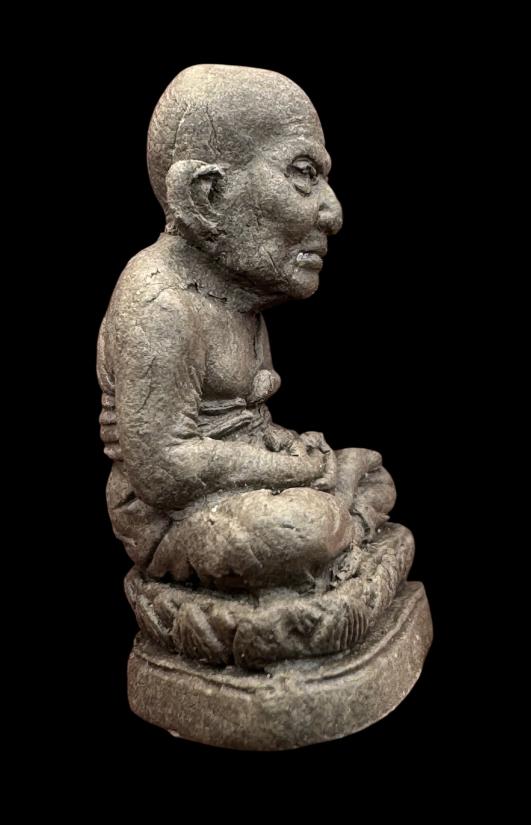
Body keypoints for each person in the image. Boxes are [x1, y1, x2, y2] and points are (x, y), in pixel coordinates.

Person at [97, 64, 397, 593]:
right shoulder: (159, 301)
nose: (333, 212)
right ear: (208, 196)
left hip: (247, 480)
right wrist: (293, 472)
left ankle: (333, 539)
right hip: (171, 520)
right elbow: (164, 469)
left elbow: (244, 420)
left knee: (372, 474)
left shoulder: (238, 296)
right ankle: (332, 545)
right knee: (295, 530)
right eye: (304, 173)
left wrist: (287, 446)